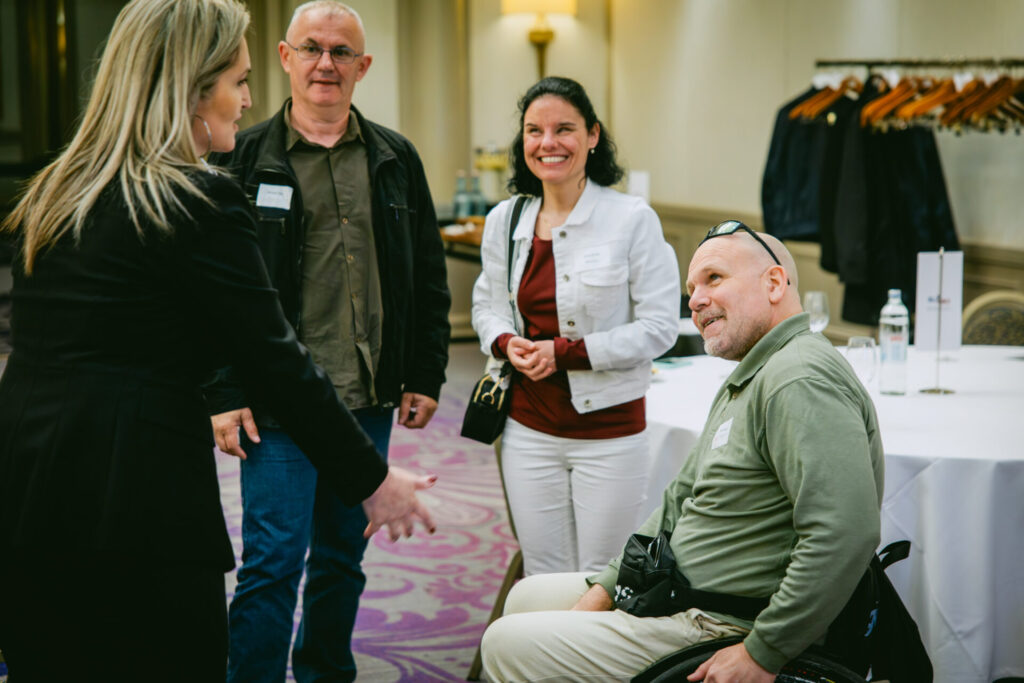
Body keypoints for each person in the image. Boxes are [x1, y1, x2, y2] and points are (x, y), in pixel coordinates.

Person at [0, 1, 435, 681]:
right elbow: (276, 358)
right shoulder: (198, 199)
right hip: (140, 503)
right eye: (238, 80)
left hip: (28, 492)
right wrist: (373, 480)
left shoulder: (56, 189)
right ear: (193, 88)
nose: (249, 99)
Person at [480, 222, 884, 682]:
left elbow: (845, 532)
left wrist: (762, 653)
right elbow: (679, 500)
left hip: (726, 623)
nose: (694, 300)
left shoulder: (798, 379)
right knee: (527, 598)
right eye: (692, 290)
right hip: (678, 593)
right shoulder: (753, 374)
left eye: (714, 278)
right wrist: (608, 588)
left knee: (505, 642)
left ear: (774, 283)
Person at [203, 2, 452, 681]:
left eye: (341, 52)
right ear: (285, 57)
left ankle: (324, 672)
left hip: (366, 396)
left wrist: (425, 371)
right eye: (311, 48)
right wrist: (223, 390)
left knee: (344, 557)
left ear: (362, 67)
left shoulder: (395, 158)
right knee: (273, 561)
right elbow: (212, 293)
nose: (325, 63)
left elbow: (426, 275)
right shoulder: (240, 158)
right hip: (277, 403)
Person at [471, 76, 680, 577]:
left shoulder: (632, 219)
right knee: (543, 572)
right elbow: (485, 306)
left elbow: (659, 327)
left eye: (564, 129)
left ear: (592, 135)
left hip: (609, 433)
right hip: (527, 428)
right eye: (534, 131)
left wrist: (564, 354)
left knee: (600, 577)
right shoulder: (505, 219)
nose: (548, 143)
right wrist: (506, 342)